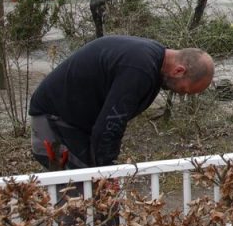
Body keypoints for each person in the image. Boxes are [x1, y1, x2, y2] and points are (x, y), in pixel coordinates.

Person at [29, 35, 215, 169]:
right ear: (179, 71)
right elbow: (111, 123)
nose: (181, 95)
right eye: (184, 90)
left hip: (75, 123)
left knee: (95, 194)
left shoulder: (152, 60)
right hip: (54, 121)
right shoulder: (140, 69)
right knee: (80, 191)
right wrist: (108, 170)